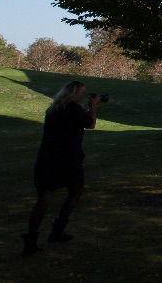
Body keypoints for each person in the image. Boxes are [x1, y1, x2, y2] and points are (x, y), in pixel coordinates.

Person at [23, 80, 104, 255]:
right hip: (67, 159)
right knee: (75, 191)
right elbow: (90, 123)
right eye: (81, 92)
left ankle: (31, 241)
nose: (83, 95)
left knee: (43, 201)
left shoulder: (53, 109)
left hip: (47, 159)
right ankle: (57, 231)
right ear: (74, 93)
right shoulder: (72, 108)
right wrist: (94, 106)